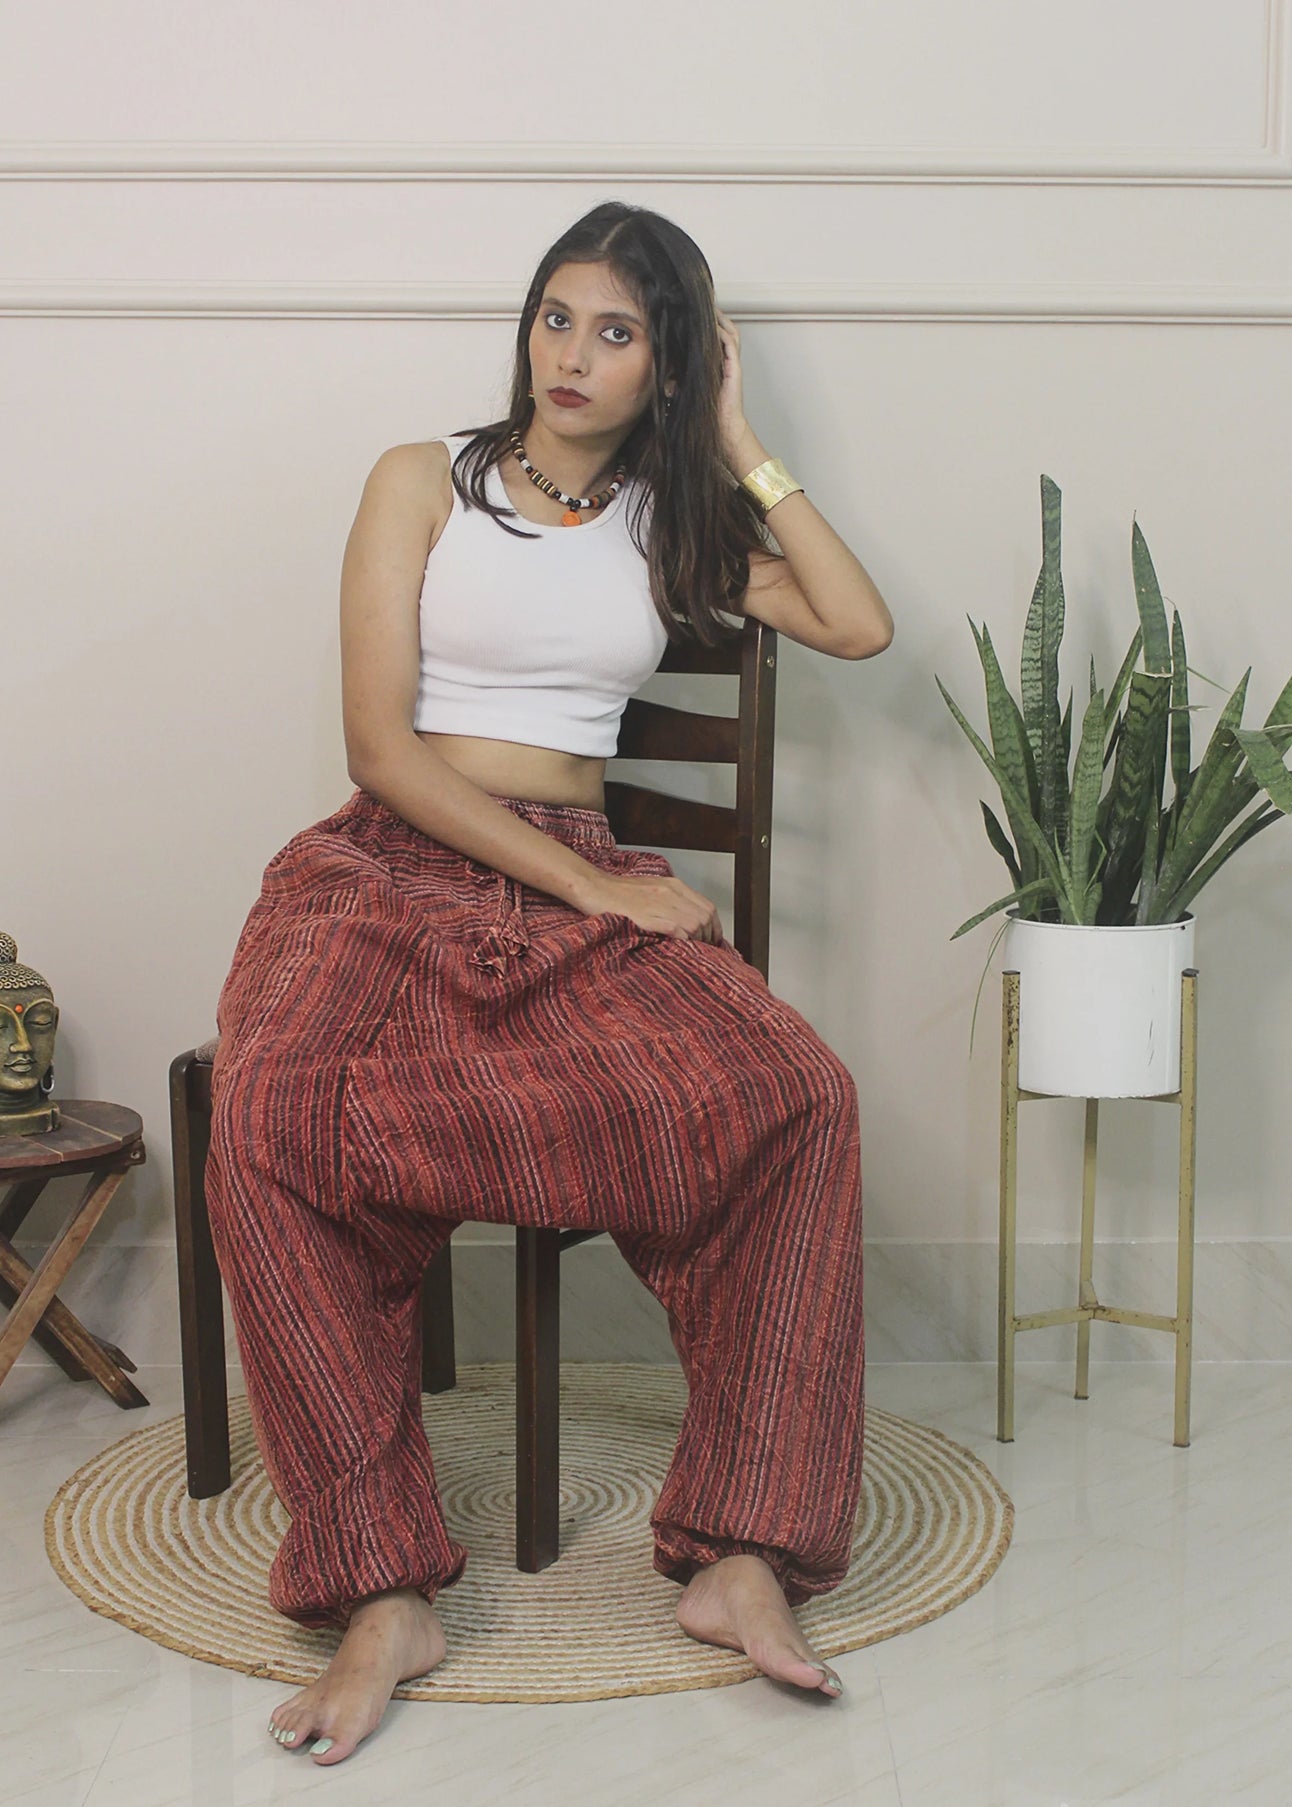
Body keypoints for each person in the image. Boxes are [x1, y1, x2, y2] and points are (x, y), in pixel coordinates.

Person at [204, 200, 895, 1767]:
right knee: (267, 1116)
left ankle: (739, 1552)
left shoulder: (679, 525)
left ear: (666, 365)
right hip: (386, 865)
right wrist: (599, 885)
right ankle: (381, 1585)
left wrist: (738, 437)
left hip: (568, 873)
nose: (572, 356)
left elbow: (857, 623)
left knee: (796, 1098)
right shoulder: (418, 482)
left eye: (618, 333)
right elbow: (380, 747)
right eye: (556, 318)